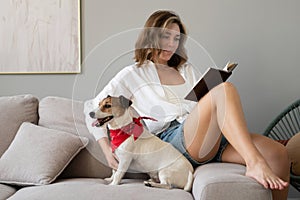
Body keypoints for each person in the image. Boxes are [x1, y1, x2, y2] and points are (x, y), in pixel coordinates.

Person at [84, 10, 290, 200]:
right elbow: (91, 108)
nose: (171, 44)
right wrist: (105, 148)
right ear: (151, 36)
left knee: (278, 155)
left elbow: (202, 105)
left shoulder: (185, 69)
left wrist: (212, 86)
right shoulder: (132, 74)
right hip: (173, 143)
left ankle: (258, 160)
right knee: (225, 91)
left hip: (205, 138)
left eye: (176, 38)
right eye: (166, 36)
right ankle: (254, 162)